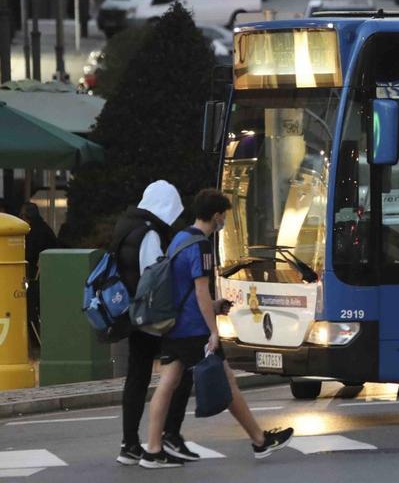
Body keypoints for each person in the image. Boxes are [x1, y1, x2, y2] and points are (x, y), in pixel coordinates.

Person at [141, 189, 293, 469]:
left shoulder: (180, 238)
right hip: (194, 328)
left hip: (174, 325)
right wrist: (213, 330)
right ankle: (260, 441)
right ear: (216, 216)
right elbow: (199, 291)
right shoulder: (202, 246)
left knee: (166, 384)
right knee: (227, 382)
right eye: (223, 216)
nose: (224, 221)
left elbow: (185, 289)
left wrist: (214, 304)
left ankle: (152, 448)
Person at [113, 180, 201, 466]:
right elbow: (156, 276)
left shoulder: (125, 226)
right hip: (152, 316)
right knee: (181, 368)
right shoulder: (149, 233)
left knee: (136, 378)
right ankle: (168, 436)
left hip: (133, 313)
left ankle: (129, 444)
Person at [20, 202, 59, 351]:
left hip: (35, 278)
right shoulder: (44, 229)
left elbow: (29, 255)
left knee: (30, 312)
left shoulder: (32, 233)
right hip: (46, 278)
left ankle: (37, 345)